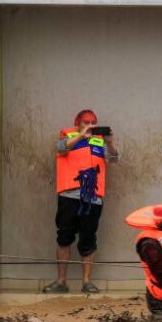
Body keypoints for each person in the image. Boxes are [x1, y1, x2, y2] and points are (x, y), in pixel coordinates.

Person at [44, 109, 120, 294]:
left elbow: (114, 159)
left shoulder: (99, 141)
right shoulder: (68, 136)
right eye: (86, 122)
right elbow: (60, 148)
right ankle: (61, 282)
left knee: (88, 238)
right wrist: (81, 136)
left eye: (93, 122)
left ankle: (87, 282)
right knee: (64, 237)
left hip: (92, 198)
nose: (90, 125)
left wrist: (110, 143)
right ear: (77, 123)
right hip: (69, 195)